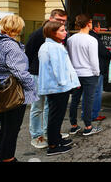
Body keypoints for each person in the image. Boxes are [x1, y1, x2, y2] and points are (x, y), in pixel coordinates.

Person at [0, 14, 38, 162]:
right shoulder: (11, 45)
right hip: (11, 89)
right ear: (17, 28)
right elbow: (19, 72)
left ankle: (2, 153)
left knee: (5, 124)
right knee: (12, 127)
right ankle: (7, 158)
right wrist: (31, 87)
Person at [25, 9, 68, 149]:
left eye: (63, 21)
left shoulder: (60, 35)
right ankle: (36, 135)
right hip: (37, 74)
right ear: (50, 18)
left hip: (51, 76)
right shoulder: (38, 34)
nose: (61, 23)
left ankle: (50, 133)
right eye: (58, 20)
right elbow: (28, 53)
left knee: (50, 106)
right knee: (37, 106)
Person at [38, 21, 80, 156]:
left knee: (56, 115)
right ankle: (53, 145)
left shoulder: (47, 46)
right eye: (62, 30)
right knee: (56, 116)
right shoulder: (55, 47)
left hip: (53, 87)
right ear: (53, 32)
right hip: (58, 87)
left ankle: (56, 139)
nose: (65, 32)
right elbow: (60, 69)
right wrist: (65, 83)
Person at [67, 14, 101, 136]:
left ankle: (73, 125)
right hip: (89, 74)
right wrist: (97, 72)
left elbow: (69, 58)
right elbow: (93, 60)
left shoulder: (70, 39)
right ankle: (88, 126)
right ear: (88, 24)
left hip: (75, 73)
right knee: (88, 100)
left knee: (74, 100)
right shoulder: (92, 40)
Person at [89, 20, 111, 121]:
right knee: (97, 93)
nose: (100, 28)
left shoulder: (86, 36)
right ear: (95, 28)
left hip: (86, 70)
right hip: (97, 69)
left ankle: (86, 114)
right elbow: (103, 52)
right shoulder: (95, 38)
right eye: (99, 26)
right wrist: (109, 53)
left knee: (88, 93)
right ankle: (94, 115)